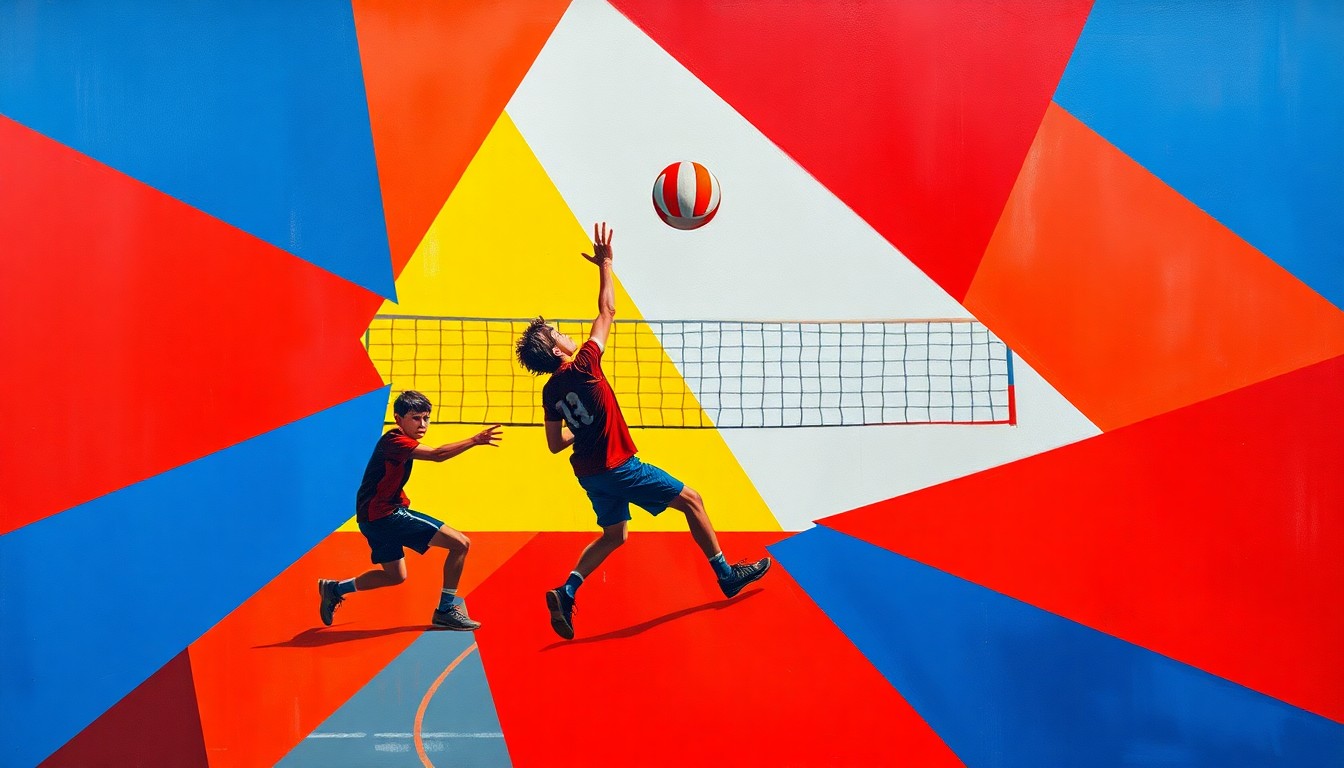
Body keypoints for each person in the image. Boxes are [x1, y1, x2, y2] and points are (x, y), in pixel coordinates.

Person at [514, 222, 770, 640]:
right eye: (556, 332)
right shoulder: (584, 364)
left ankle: (567, 589)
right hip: (618, 467)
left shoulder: (550, 391)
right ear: (557, 349)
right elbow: (607, 311)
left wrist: (586, 431)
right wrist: (606, 264)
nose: (564, 331)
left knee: (614, 535)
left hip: (590, 474)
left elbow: (554, 444)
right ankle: (725, 574)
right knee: (693, 501)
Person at [317, 390, 502, 631]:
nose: (422, 424)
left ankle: (334, 589)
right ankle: (446, 609)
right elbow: (437, 455)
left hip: (370, 520)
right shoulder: (395, 441)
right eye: (415, 418)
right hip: (386, 515)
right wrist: (474, 440)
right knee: (461, 544)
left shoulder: (399, 442)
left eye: (426, 418)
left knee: (395, 576)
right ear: (398, 418)